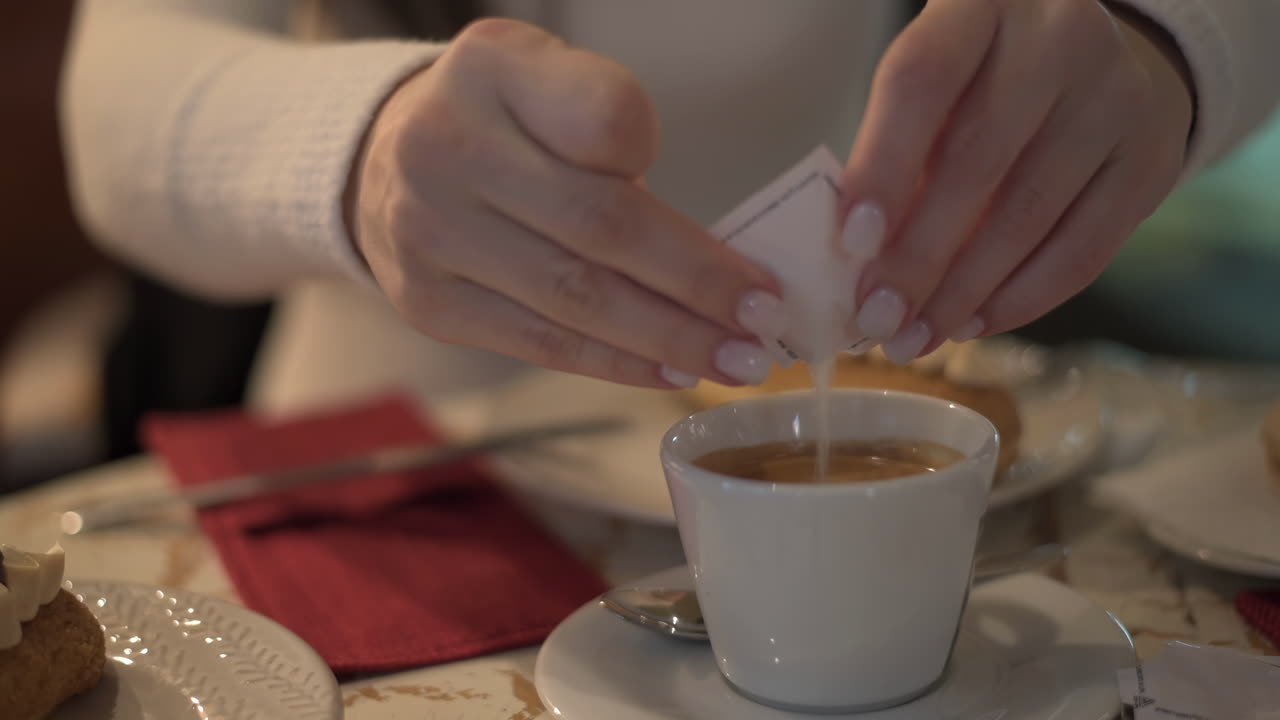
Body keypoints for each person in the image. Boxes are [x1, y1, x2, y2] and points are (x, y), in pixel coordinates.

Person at [59, 1, 1280, 412]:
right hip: (404, 486)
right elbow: (109, 89)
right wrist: (360, 150)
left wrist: (1169, 44)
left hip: (838, 467)